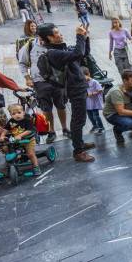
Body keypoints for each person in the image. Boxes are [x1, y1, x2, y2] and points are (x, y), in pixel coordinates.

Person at [36, 23, 95, 162]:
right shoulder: (53, 53)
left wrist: (85, 38)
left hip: (79, 86)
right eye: (56, 33)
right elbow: (78, 53)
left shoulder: (61, 48)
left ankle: (79, 143)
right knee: (78, 119)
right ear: (49, 38)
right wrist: (79, 36)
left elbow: (83, 53)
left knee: (80, 118)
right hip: (74, 89)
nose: (60, 34)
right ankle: (78, 151)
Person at [18, 20, 70, 144]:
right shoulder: (29, 46)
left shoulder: (57, 44)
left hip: (58, 81)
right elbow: (22, 63)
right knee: (46, 108)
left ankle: (65, 128)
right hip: (40, 82)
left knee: (61, 105)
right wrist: (27, 77)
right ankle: (51, 131)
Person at [103, 70, 132, 143]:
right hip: (113, 114)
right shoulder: (116, 91)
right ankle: (117, 130)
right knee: (130, 123)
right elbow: (121, 112)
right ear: (125, 81)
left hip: (127, 107)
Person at [0, 103, 41, 175]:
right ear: (11, 115)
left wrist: (20, 135)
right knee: (6, 148)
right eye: (14, 114)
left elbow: (29, 130)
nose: (17, 115)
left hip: (28, 140)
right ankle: (11, 164)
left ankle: (36, 167)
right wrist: (2, 136)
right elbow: (5, 130)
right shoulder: (11, 121)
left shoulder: (27, 120)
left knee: (31, 154)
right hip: (16, 141)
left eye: (19, 112)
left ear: (23, 112)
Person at [83, 68, 105, 134]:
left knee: (96, 115)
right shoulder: (83, 83)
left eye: (85, 77)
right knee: (90, 116)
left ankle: (101, 127)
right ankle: (95, 125)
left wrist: (92, 93)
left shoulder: (94, 82)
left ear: (89, 74)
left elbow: (100, 90)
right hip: (87, 103)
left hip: (94, 103)